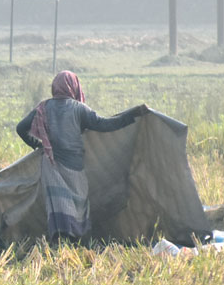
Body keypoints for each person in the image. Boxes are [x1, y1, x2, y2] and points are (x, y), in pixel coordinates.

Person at [16, 70, 149, 242]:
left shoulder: (43, 108)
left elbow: (21, 128)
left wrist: (39, 145)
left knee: (57, 204)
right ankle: (72, 242)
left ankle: (60, 242)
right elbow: (104, 124)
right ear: (74, 87)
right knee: (77, 204)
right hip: (74, 166)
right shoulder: (79, 109)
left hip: (51, 164)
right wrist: (132, 114)